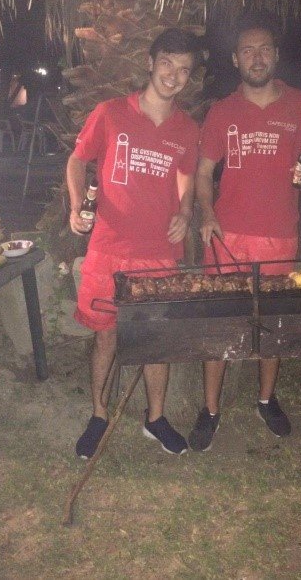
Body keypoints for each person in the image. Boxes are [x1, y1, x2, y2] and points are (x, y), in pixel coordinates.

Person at [188, 10, 301, 452]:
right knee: (219, 319)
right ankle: (210, 409)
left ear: (276, 55)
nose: (257, 57)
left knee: (272, 322)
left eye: (264, 49)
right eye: (248, 50)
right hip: (226, 234)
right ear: (235, 59)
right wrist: (206, 213)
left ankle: (266, 400)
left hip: (280, 233)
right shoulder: (222, 111)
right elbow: (203, 172)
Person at [67, 28, 200, 458]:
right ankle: (99, 414)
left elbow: (185, 175)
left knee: (155, 339)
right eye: (167, 64)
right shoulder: (109, 113)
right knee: (105, 336)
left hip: (158, 253)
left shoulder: (186, 129)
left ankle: (155, 418)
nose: (173, 75)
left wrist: (185, 211)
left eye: (184, 70)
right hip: (108, 248)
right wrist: (76, 206)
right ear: (150, 63)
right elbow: (77, 159)